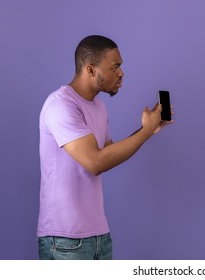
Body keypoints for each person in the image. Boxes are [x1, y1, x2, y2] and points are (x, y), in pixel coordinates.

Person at [37, 35, 172, 260]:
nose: (121, 73)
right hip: (65, 239)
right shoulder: (60, 105)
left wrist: (146, 131)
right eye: (115, 67)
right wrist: (145, 132)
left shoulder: (99, 107)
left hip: (99, 235)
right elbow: (95, 163)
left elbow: (108, 156)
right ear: (90, 70)